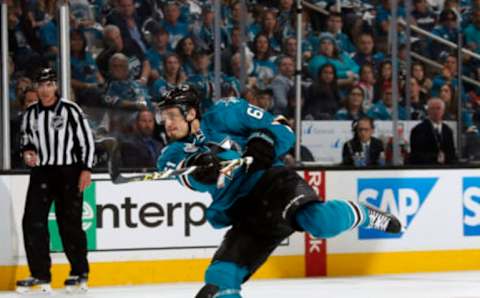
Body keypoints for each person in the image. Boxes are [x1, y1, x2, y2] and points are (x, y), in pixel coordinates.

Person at [155, 84, 402, 298]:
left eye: (171, 116)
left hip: (273, 184)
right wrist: (202, 171)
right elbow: (188, 176)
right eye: (163, 118)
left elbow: (281, 127)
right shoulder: (171, 153)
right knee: (220, 278)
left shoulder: (226, 112)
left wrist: (265, 141)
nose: (166, 124)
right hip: (242, 210)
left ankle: (366, 214)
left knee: (320, 222)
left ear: (190, 112)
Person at [16, 68, 95, 292]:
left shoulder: (71, 110)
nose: (44, 89)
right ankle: (40, 274)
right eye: (40, 85)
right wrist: (27, 152)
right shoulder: (31, 113)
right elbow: (26, 140)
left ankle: (79, 272)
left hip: (68, 172)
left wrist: (86, 169)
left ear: (56, 87)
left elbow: (86, 141)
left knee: (69, 223)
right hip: (42, 172)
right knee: (32, 222)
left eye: (49, 85)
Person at [409, 98, 457, 165]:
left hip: (445, 170)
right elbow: (416, 155)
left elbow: (452, 153)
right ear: (428, 111)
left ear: (443, 111)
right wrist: (435, 158)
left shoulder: (448, 130)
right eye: (432, 108)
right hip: (426, 169)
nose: (435, 111)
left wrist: (445, 158)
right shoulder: (418, 130)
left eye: (438, 108)